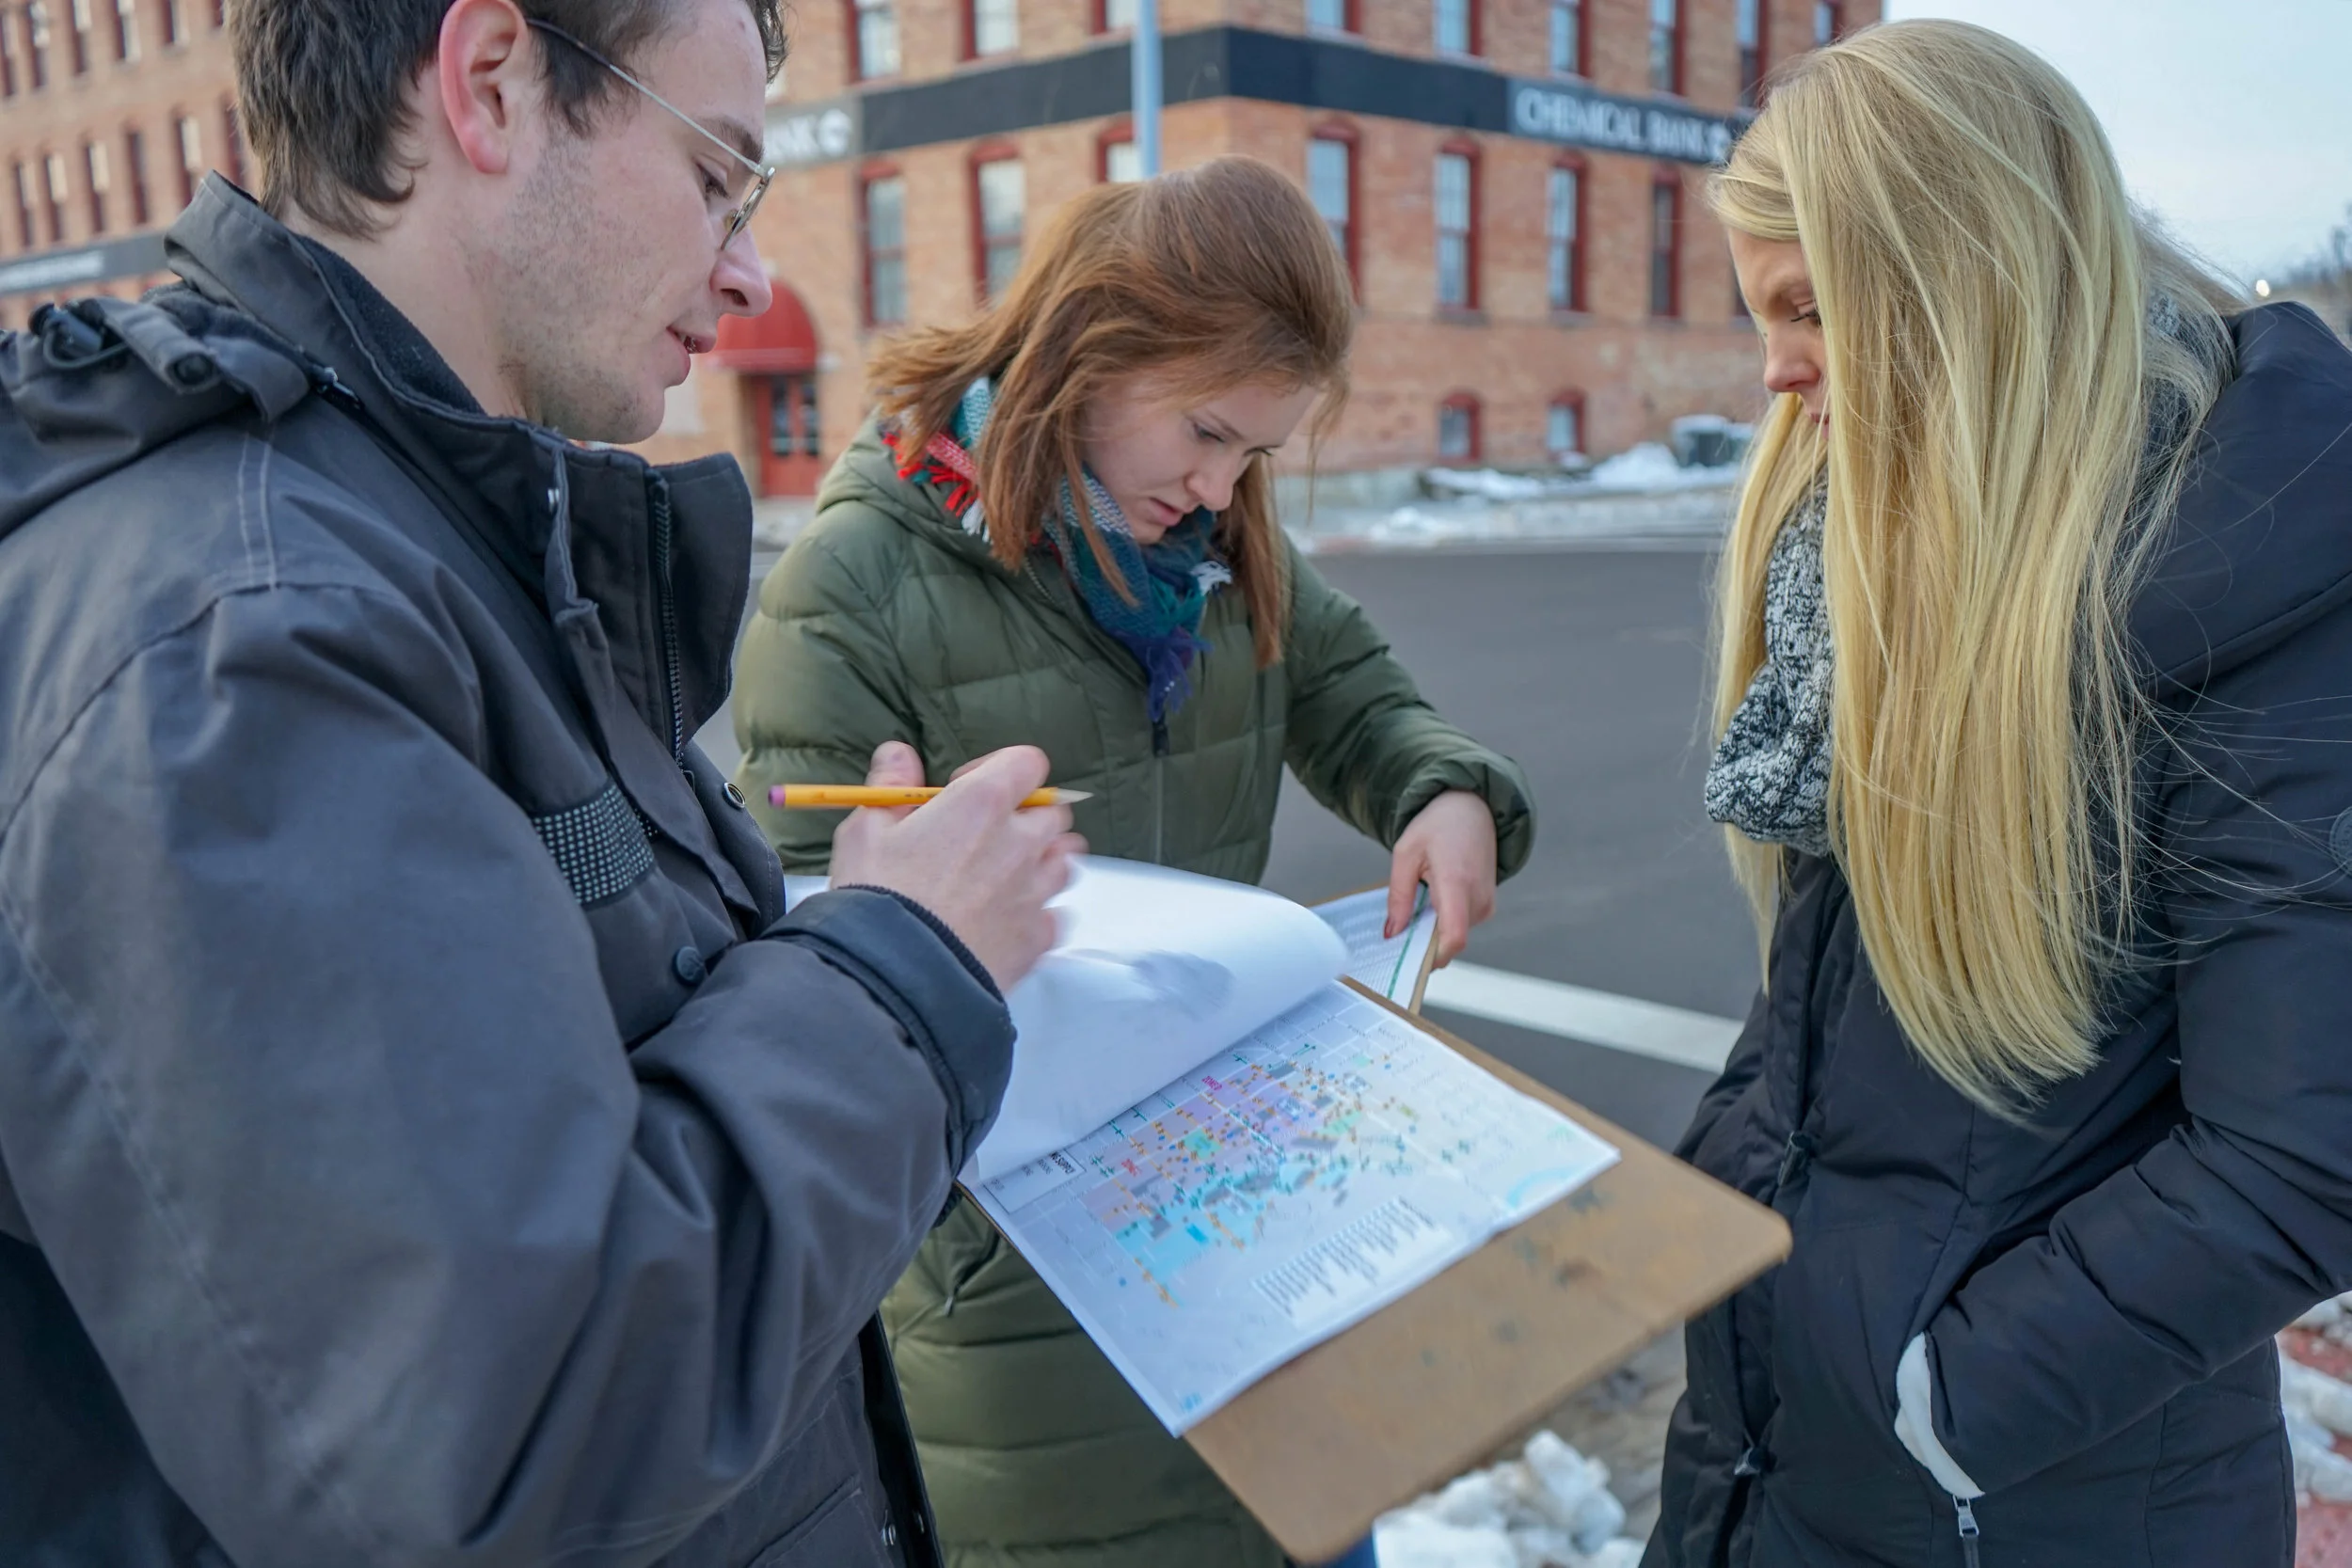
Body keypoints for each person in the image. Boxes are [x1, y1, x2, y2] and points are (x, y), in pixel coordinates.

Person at [0, 2, 1084, 1564]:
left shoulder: (418, 537)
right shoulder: (245, 641)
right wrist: (906, 966)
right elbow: (518, 1421)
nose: (747, 268)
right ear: (494, 81)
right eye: (715, 174)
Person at [729, 155, 1535, 1568]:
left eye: (1258, 455)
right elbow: (803, 992)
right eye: (1210, 432)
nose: (1223, 486)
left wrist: (1444, 787)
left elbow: (1365, 699)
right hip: (1019, 1309)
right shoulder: (855, 589)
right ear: (1092, 352)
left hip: (1249, 1259)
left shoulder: (1218, 546)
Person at [1652, 19, 2352, 1568]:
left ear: (1959, 279)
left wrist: (1938, 1402)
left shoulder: (2265, 590)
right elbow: (1821, 1000)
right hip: (1785, 1456)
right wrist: (1713, 1199)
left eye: (1807, 309)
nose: (1770, 372)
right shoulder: (1895, 550)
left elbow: (2301, 1152)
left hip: (2034, 1495)